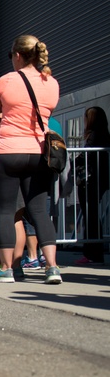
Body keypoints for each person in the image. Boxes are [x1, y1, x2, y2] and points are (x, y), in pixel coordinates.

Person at [0, 34, 62, 284]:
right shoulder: (51, 83)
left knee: (5, 211)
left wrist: (8, 117)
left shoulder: (6, 81)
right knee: (39, 211)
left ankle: (6, 269)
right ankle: (52, 267)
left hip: (8, 152)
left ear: (17, 55)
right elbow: (45, 115)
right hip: (38, 153)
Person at [75, 106, 110, 265]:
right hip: (99, 179)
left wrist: (74, 161)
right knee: (92, 215)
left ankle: (92, 253)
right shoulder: (105, 135)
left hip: (90, 180)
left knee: (90, 215)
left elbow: (86, 156)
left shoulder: (93, 136)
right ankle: (94, 252)